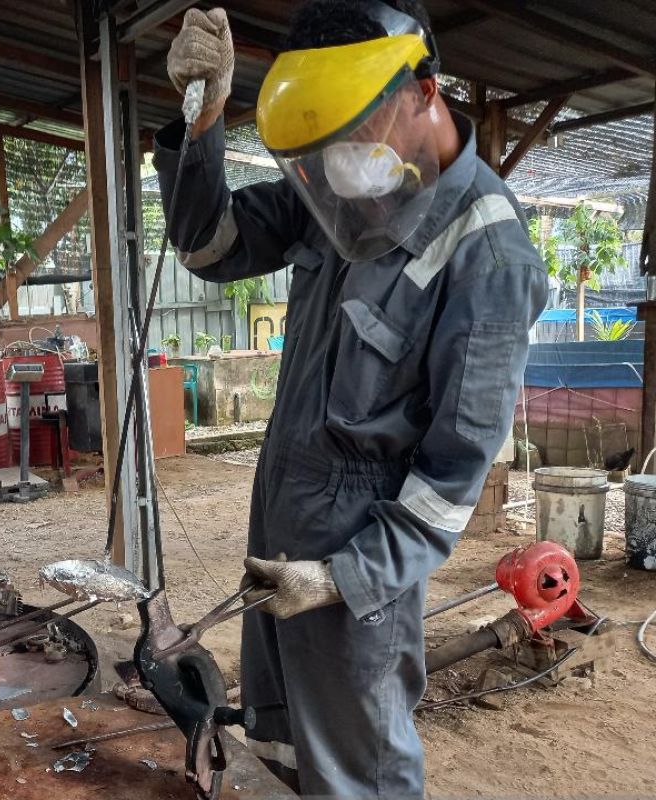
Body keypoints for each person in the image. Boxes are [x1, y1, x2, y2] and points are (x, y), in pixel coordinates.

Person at [157, 1, 547, 796]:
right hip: (283, 514)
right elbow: (208, 245)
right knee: (280, 742)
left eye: (359, 132)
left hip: (358, 554)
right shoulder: (342, 181)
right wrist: (202, 121)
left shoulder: (488, 253)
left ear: (426, 92)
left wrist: (342, 579)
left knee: (358, 774)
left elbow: (451, 479)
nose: (345, 163)